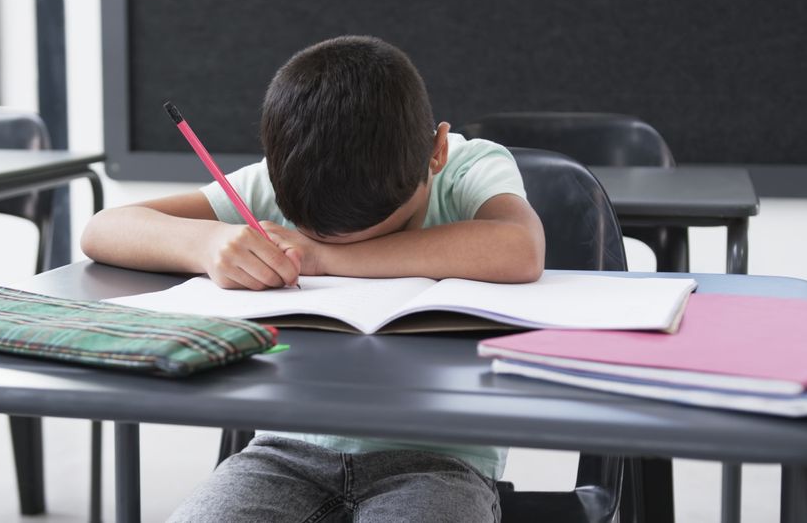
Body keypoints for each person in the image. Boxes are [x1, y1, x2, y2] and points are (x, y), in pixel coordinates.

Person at [81, 35, 545, 522]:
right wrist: (206, 243)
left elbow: (519, 249)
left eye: (369, 237)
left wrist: (323, 256)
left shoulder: (469, 168)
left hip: (440, 461)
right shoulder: (281, 179)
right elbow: (103, 229)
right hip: (285, 451)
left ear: (437, 151)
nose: (343, 249)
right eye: (319, 235)